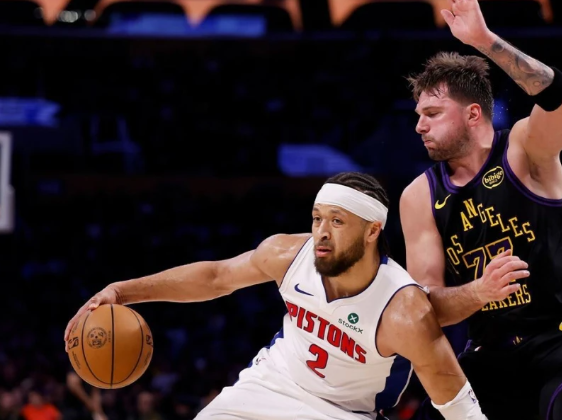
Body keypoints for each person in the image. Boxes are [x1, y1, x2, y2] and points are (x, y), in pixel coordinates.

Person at [65, 172, 489, 420]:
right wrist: (122, 291)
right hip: (267, 387)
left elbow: (456, 401)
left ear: (372, 231)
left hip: (341, 413)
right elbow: (215, 277)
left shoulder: (402, 310)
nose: (321, 232)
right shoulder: (287, 254)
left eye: (337, 221)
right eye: (317, 218)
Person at [399, 0, 562, 420]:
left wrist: (483, 40)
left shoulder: (522, 149)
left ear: (473, 114)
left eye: (432, 113)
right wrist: (478, 292)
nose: (419, 125)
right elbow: (426, 307)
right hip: (490, 352)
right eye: (418, 114)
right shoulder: (419, 195)